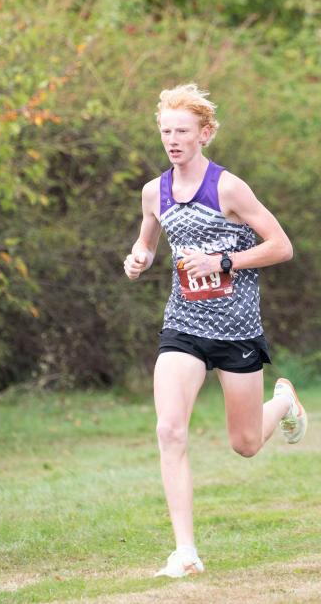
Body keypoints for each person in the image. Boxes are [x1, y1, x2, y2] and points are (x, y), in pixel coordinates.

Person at [123, 83, 308, 578]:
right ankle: (185, 553)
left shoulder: (228, 188)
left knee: (245, 444)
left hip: (238, 330)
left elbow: (281, 246)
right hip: (183, 325)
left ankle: (284, 403)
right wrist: (138, 259)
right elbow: (146, 241)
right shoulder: (153, 191)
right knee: (169, 429)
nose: (172, 140)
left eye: (182, 131)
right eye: (166, 131)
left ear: (204, 133)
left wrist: (223, 260)